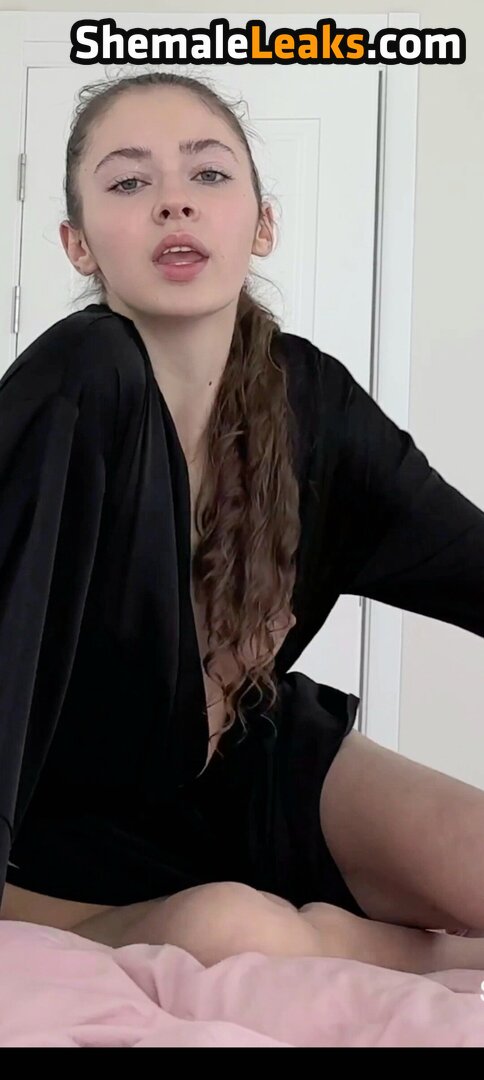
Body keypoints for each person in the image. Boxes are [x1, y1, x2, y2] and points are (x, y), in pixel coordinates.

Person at [1, 71, 484, 976]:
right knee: (237, 933)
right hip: (59, 834)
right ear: (78, 245)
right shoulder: (78, 378)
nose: (174, 201)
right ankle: (398, 958)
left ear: (262, 224)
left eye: (209, 174)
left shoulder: (314, 401)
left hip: (247, 761)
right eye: (129, 181)